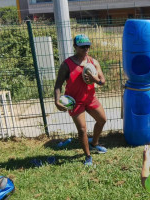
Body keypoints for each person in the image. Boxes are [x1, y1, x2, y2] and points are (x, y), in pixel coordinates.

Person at [54, 34, 107, 166]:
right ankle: (88, 156)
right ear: (75, 47)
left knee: (102, 120)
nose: (86, 49)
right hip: (75, 101)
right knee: (82, 130)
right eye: (82, 47)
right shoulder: (67, 65)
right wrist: (57, 101)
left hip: (90, 98)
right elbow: (58, 84)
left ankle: (94, 143)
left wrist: (96, 81)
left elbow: (102, 81)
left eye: (87, 46)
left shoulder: (93, 62)